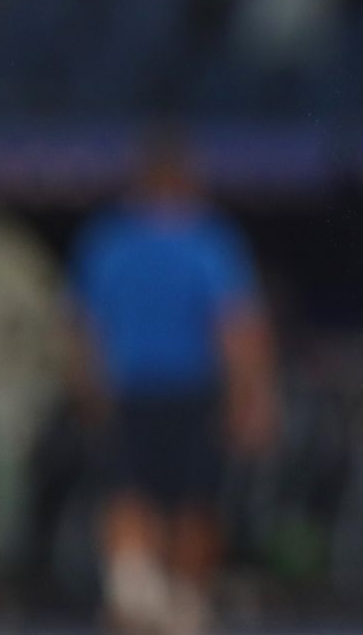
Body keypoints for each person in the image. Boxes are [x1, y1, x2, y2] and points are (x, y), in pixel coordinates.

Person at [69, 135, 276, 635]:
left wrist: (86, 390)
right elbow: (237, 326)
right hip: (192, 390)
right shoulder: (208, 241)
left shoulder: (107, 242)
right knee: (194, 501)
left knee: (128, 492)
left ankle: (131, 592)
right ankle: (182, 606)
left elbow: (82, 329)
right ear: (186, 181)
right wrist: (253, 397)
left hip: (128, 390)